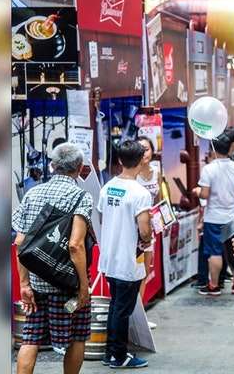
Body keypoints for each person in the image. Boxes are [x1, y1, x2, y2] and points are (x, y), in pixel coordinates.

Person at [12, 143, 93, 374]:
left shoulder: (33, 193)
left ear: (52, 165)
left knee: (31, 337)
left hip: (36, 282)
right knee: (77, 336)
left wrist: (24, 283)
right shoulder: (80, 197)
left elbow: (20, 242)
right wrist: (83, 288)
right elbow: (76, 246)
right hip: (66, 283)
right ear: (79, 168)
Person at [98, 140, 153, 369]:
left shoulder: (107, 187)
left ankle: (110, 352)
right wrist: (148, 238)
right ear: (141, 160)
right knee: (122, 309)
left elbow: (102, 218)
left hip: (110, 257)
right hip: (128, 260)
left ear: (120, 160)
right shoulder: (140, 193)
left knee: (115, 306)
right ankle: (119, 356)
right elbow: (144, 230)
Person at [192, 130, 234, 296]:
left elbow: (205, 195)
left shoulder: (209, 169)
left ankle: (214, 286)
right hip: (232, 216)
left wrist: (197, 192)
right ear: (229, 148)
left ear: (213, 148)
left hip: (214, 218)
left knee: (214, 252)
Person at [136, 136, 163, 330]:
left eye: (147, 148)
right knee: (133, 273)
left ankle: (141, 315)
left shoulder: (157, 171)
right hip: (134, 230)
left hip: (150, 229)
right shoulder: (132, 173)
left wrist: (162, 217)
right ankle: (133, 316)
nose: (145, 152)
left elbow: (160, 200)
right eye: (141, 149)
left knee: (145, 272)